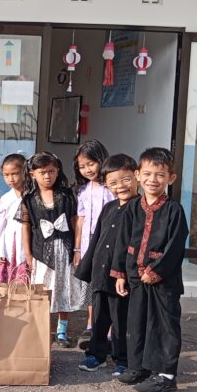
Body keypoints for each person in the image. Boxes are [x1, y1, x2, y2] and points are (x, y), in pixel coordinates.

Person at [111, 147, 188, 392]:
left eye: (160, 175)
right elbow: (123, 242)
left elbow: (175, 246)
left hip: (163, 281)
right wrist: (120, 274)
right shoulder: (133, 208)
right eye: (147, 174)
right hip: (135, 277)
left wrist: (155, 271)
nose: (153, 180)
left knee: (164, 325)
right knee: (137, 322)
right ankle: (139, 367)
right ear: (137, 175)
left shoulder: (174, 210)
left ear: (171, 178)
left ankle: (165, 374)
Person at [76, 154, 138, 376]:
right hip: (101, 273)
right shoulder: (109, 207)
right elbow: (96, 239)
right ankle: (96, 355)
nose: (120, 186)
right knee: (99, 318)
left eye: (125, 180)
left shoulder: (139, 208)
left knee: (121, 320)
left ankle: (123, 359)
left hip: (122, 277)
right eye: (113, 182)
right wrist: (86, 266)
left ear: (136, 177)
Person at [19, 151, 89, 345]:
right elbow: (26, 226)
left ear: (57, 171)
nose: (47, 176)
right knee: (42, 290)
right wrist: (28, 254)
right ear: (33, 174)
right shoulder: (29, 199)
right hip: (41, 251)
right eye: (42, 172)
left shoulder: (67, 196)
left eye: (51, 171)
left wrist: (77, 249)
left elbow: (76, 222)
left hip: (65, 250)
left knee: (63, 289)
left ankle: (62, 331)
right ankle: (41, 329)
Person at [73, 139, 114, 347]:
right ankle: (91, 326)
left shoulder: (110, 189)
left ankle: (109, 330)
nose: (87, 169)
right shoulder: (82, 190)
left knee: (107, 287)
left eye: (91, 164)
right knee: (91, 287)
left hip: (108, 247)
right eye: (82, 166)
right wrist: (78, 249)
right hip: (89, 247)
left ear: (101, 160)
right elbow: (80, 220)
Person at [0, 153, 30, 285]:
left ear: (24, 172)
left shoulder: (31, 195)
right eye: (6, 175)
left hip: (27, 241)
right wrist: (0, 250)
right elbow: (1, 226)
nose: (11, 179)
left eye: (15, 174)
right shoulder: (5, 199)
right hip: (10, 241)